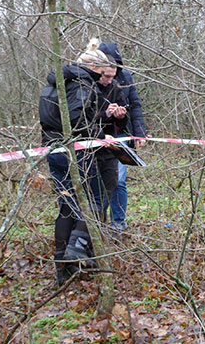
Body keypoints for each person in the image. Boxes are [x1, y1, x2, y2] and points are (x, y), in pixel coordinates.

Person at [39, 38, 127, 285]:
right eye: (102, 73)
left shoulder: (57, 83)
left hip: (54, 148)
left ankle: (63, 269)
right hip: (75, 150)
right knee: (96, 197)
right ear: (95, 69)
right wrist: (101, 136)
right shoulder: (81, 84)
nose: (104, 79)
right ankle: (76, 247)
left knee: (68, 204)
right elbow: (78, 121)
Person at [99, 43, 147, 231]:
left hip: (121, 134)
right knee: (100, 180)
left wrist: (140, 132)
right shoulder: (94, 78)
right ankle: (97, 224)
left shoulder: (126, 77)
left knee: (119, 180)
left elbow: (135, 105)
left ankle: (118, 223)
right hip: (99, 134)